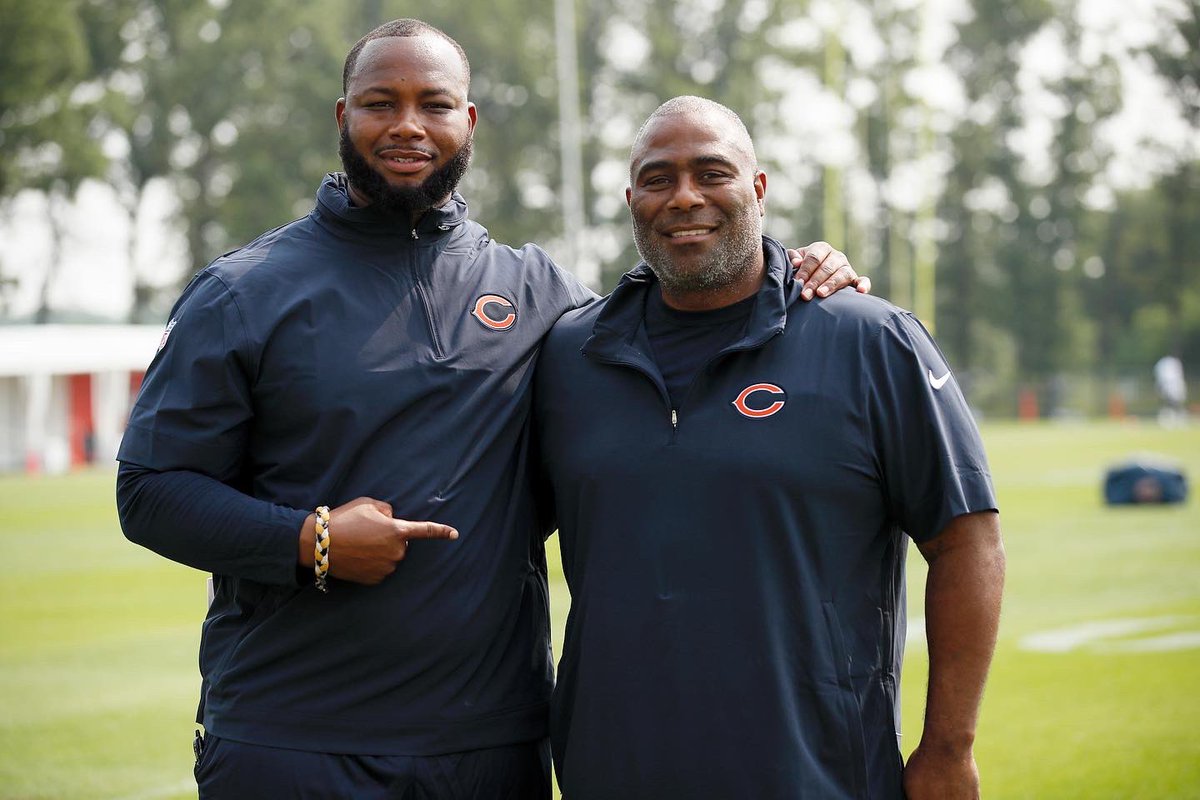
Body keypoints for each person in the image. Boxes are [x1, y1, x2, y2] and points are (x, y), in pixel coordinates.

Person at [115, 21, 865, 798]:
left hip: (492, 746)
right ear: (343, 118)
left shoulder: (546, 295)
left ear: (466, 122)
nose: (408, 125)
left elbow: (688, 320)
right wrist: (314, 539)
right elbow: (149, 490)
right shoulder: (244, 291)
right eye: (381, 103)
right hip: (295, 739)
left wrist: (794, 267)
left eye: (433, 104)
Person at [534, 96, 1005, 799]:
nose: (684, 196)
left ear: (757, 188)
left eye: (712, 172)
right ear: (632, 199)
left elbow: (967, 541)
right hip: (613, 770)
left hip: (814, 773)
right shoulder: (571, 353)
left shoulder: (869, 340)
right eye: (658, 179)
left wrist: (947, 749)